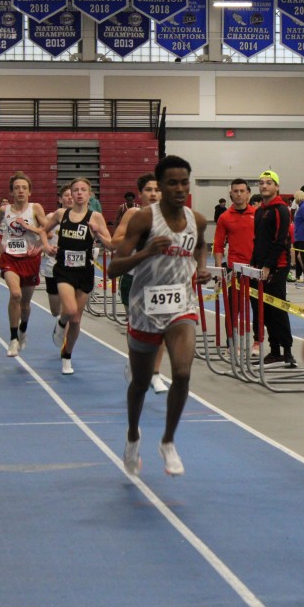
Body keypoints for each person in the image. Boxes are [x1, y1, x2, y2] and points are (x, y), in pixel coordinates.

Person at [107, 155, 211, 477]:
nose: (179, 189)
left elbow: (200, 246)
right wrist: (147, 252)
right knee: (139, 383)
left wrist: (201, 268)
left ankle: (168, 441)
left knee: (182, 372)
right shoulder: (143, 219)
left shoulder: (197, 220)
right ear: (161, 187)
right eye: (172, 183)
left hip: (182, 307)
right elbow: (114, 268)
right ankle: (132, 437)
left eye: (184, 183)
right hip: (145, 310)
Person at [47, 177, 112, 375]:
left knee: (76, 320)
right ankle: (60, 324)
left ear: (89, 194)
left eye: (83, 190)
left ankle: (67, 356)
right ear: (71, 194)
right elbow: (43, 231)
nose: (79, 193)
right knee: (69, 309)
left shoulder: (96, 217)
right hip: (64, 270)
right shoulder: (61, 214)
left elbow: (111, 245)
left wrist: (98, 234)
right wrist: (46, 246)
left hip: (84, 272)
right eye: (76, 190)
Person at [112, 173, 170, 394]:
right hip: (134, 278)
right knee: (136, 327)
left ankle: (155, 373)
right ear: (140, 193)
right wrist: (139, 237)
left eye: (157, 189)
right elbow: (115, 241)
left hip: (159, 280)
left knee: (160, 327)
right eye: (148, 190)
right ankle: (134, 359)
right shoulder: (133, 214)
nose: (153, 194)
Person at [0, 172, 48, 358]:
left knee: (25, 304)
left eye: (24, 188)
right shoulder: (4, 210)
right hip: (10, 258)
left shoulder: (35, 209)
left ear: (29, 192)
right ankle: (12, 339)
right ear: (11, 192)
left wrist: (29, 227)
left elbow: (47, 231)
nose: (20, 191)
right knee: (15, 294)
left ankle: (23, 330)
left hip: (30, 259)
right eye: (17, 188)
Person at [251, 170, 296, 366]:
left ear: (277, 186)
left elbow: (280, 241)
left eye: (269, 183)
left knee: (278, 309)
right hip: (260, 268)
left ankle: (288, 352)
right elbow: (258, 240)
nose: (264, 186)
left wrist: (269, 266)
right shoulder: (259, 211)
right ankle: (274, 351)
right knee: (266, 311)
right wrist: (254, 264)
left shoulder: (281, 210)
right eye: (261, 183)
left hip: (278, 267)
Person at [213, 178, 259, 350]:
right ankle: (231, 343)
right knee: (233, 310)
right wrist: (219, 270)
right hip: (235, 271)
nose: (239, 194)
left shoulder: (258, 214)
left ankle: (258, 342)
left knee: (258, 308)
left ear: (248, 193)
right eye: (235, 191)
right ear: (231, 194)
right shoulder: (224, 217)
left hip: (255, 270)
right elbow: (218, 245)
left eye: (242, 191)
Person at [40, 186, 72, 327]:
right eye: (66, 195)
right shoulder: (51, 217)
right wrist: (46, 247)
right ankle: (61, 323)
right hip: (53, 266)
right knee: (55, 310)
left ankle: (64, 330)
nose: (70, 198)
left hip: (73, 268)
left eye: (72, 195)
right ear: (60, 199)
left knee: (70, 308)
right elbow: (41, 238)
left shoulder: (85, 217)